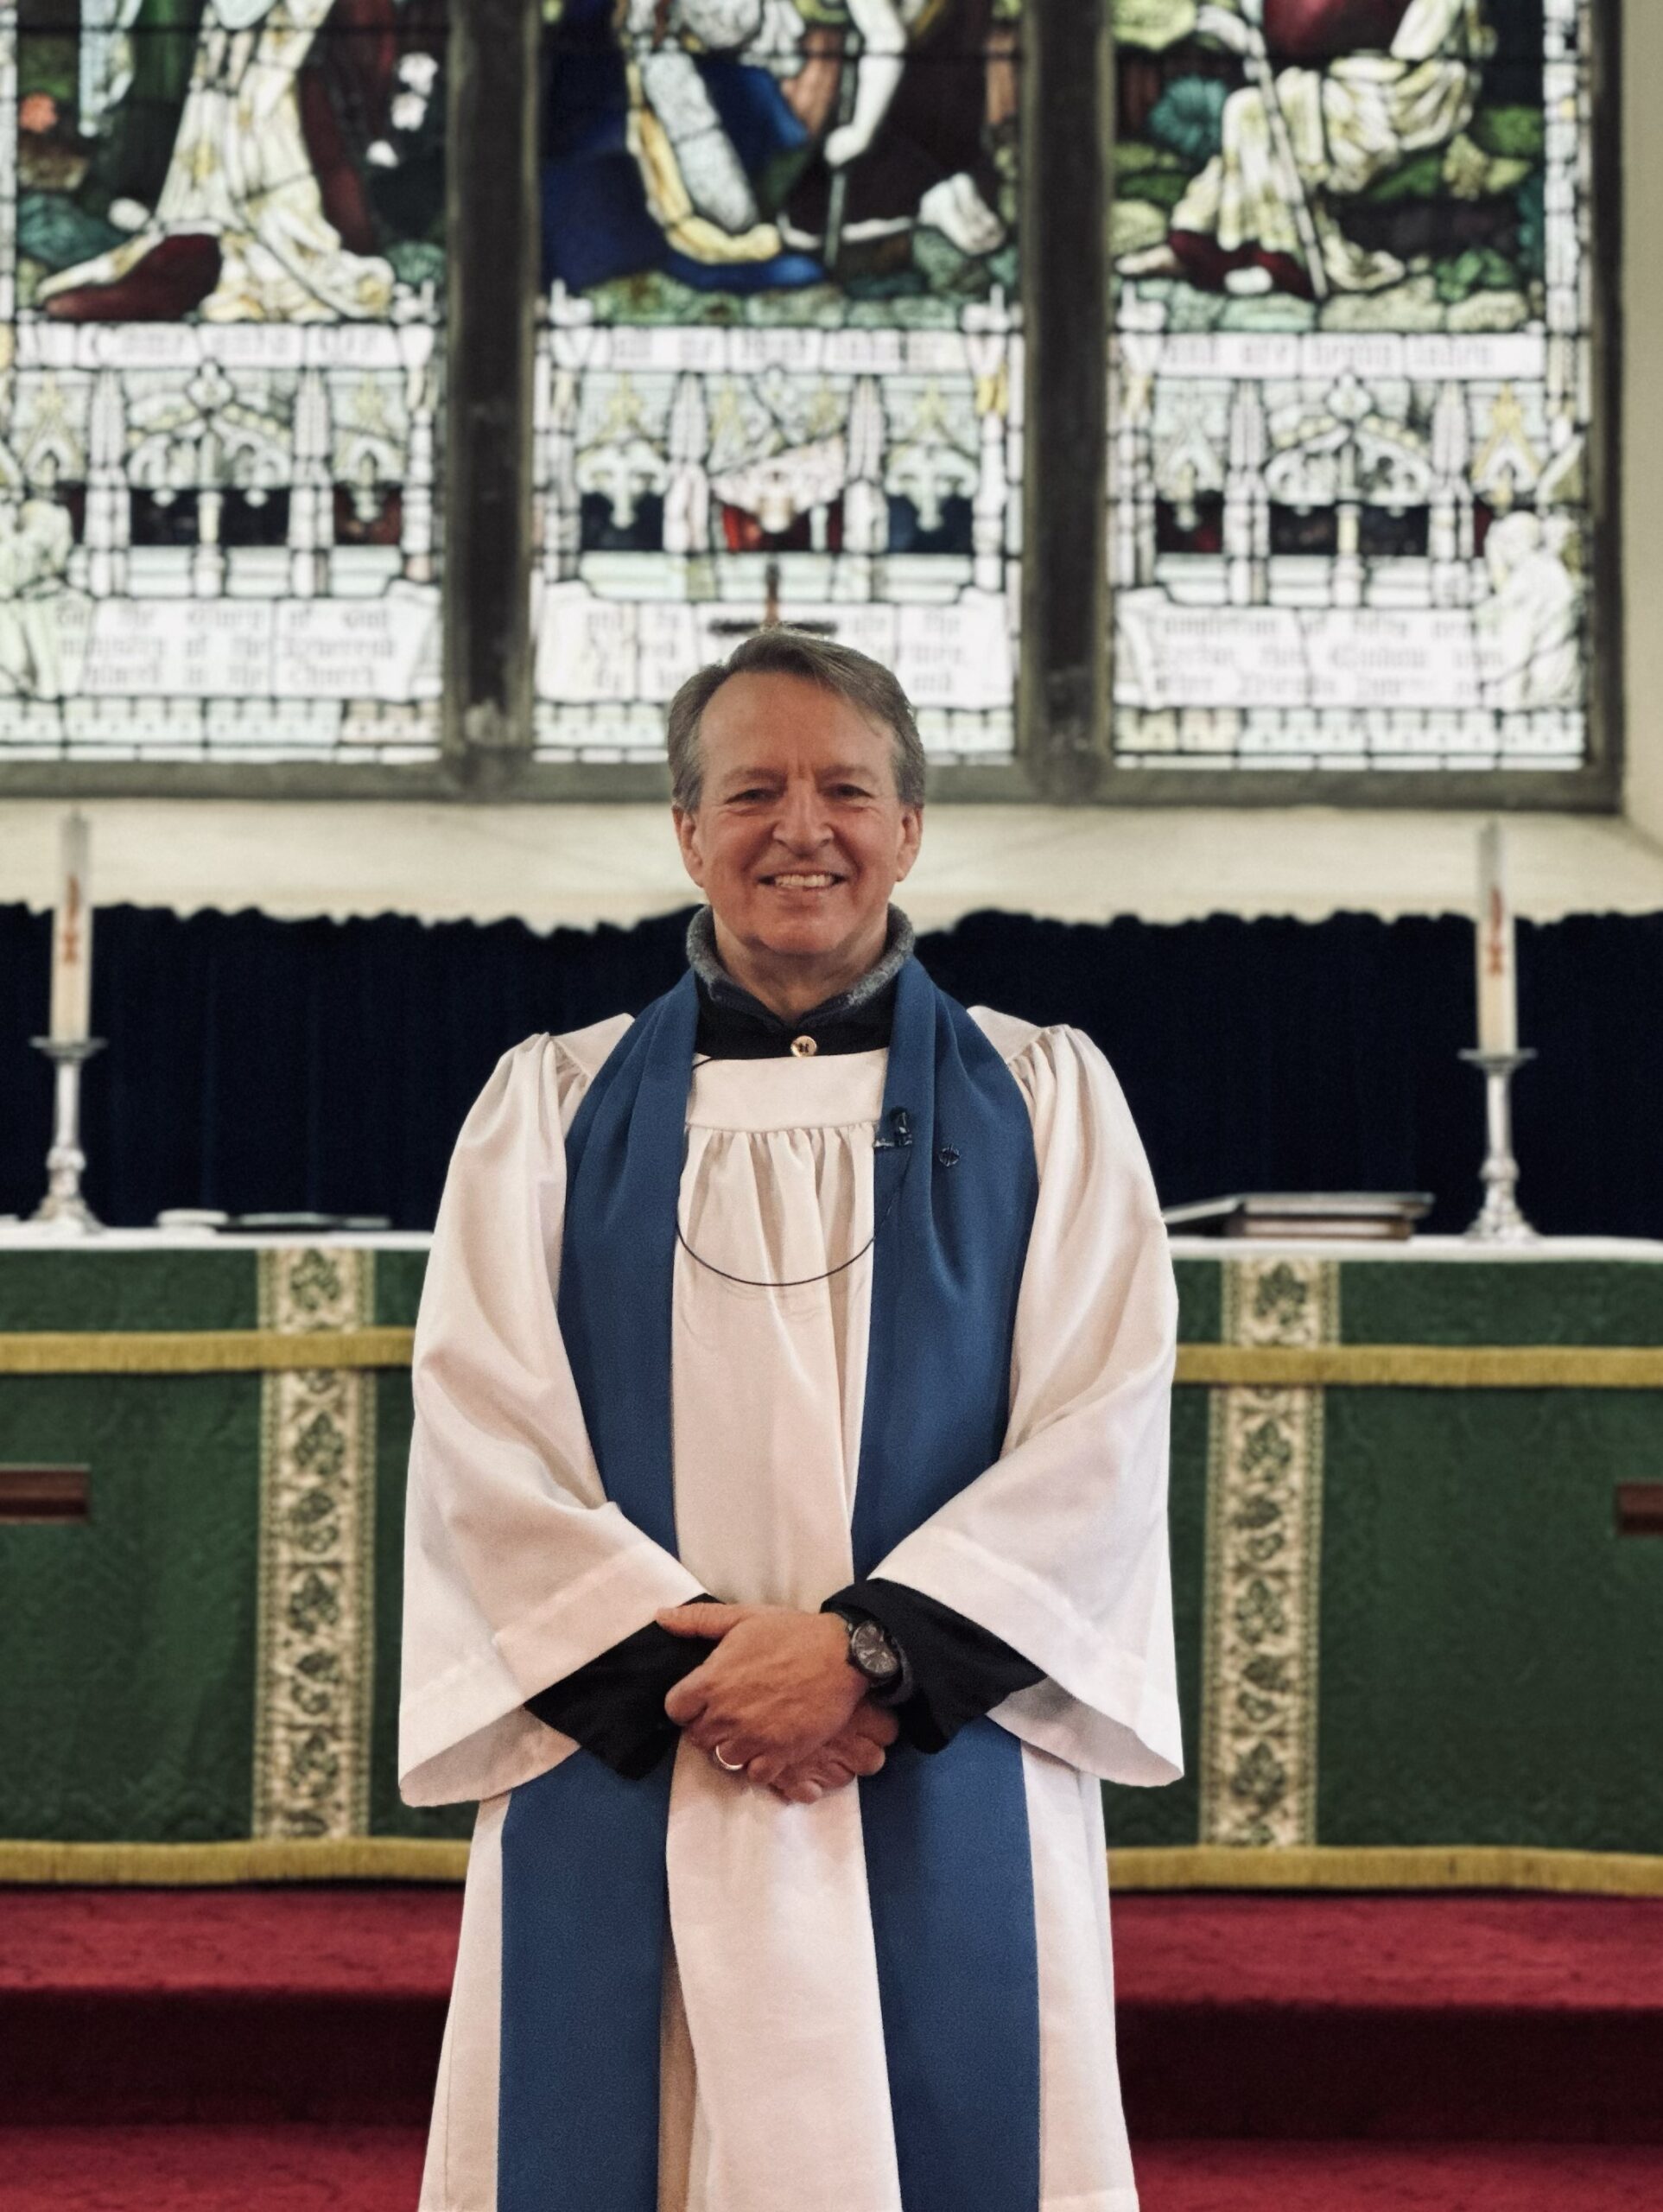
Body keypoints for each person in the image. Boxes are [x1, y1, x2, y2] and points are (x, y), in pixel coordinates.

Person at [398, 627, 1182, 2212]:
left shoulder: (1045, 1100)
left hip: (928, 1738)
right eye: (752, 789)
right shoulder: (551, 1106)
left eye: (845, 789)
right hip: (645, 1745)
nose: (800, 828)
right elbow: (484, 1436)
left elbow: (1100, 1429)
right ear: (687, 832)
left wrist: (868, 1657)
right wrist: (696, 1675)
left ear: (909, 827)